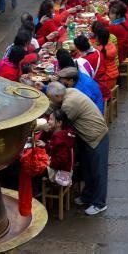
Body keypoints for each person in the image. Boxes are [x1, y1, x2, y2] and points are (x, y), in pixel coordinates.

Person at [46, 81, 109, 215]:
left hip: (96, 136)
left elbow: (59, 121)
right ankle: (87, 196)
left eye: (51, 98)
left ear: (58, 96)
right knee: (87, 169)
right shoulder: (68, 92)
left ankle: (99, 203)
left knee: (98, 171)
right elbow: (52, 107)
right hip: (86, 137)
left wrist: (45, 125)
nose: (51, 101)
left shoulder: (70, 103)